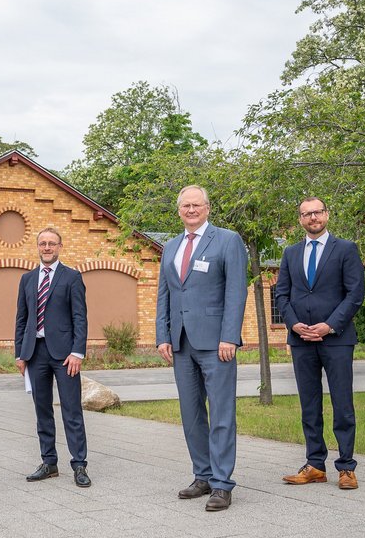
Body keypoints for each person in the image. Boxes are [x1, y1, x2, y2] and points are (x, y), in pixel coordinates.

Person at [155, 185, 248, 512]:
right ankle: (203, 475)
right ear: (179, 210)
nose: (191, 210)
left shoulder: (227, 240)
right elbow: (164, 294)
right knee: (191, 414)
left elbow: (236, 292)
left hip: (216, 343)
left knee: (222, 413)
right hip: (180, 343)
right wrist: (162, 336)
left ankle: (222, 484)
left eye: (197, 205)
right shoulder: (170, 247)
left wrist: (230, 336)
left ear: (208, 208)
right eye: (185, 206)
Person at [274, 197, 365, 490]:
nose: (312, 217)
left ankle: (346, 467)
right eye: (306, 214)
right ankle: (314, 465)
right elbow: (281, 295)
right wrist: (293, 323)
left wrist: (329, 326)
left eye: (317, 212)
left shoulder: (346, 250)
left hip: (336, 339)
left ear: (326, 214)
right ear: (300, 219)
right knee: (309, 405)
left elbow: (355, 294)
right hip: (301, 340)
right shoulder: (290, 253)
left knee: (342, 404)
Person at [14, 227, 90, 487]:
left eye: (52, 244)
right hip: (36, 353)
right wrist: (20, 354)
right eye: (43, 244)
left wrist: (78, 351)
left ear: (60, 247)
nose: (47, 248)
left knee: (71, 410)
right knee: (42, 410)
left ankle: (79, 465)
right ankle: (49, 463)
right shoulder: (27, 279)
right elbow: (21, 319)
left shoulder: (72, 277)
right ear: (38, 247)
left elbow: (80, 317)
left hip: (65, 355)